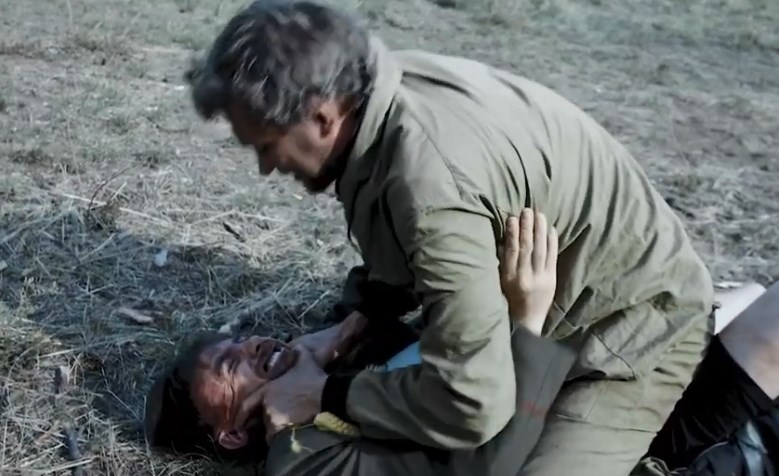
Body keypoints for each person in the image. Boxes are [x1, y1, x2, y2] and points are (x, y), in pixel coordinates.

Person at [184, 1, 717, 474]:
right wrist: (358, 320)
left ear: (321, 118)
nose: (266, 168)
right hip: (556, 303)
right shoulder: (372, 102)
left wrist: (328, 392)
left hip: (628, 334)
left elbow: (472, 403)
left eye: (268, 146)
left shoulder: (432, 188)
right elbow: (395, 239)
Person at [144, 209, 579, 475]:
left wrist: (349, 326)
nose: (253, 344)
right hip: (560, 408)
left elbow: (395, 267)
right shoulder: (300, 462)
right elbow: (478, 469)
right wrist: (527, 320)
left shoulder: (332, 359)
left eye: (240, 338)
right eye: (229, 366)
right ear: (233, 434)